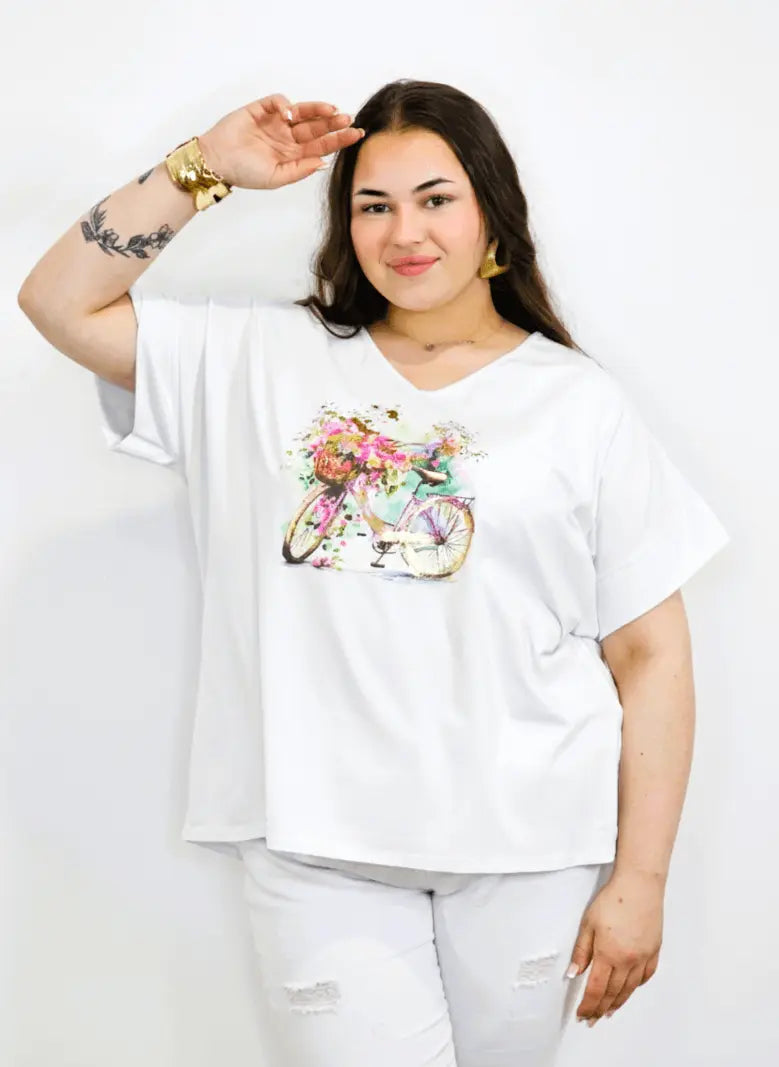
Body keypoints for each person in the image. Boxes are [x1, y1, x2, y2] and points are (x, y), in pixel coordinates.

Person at [18, 79, 730, 1067]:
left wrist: (641, 879)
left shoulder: (578, 402)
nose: (405, 232)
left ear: (490, 212)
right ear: (342, 224)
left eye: (435, 198)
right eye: (373, 204)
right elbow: (57, 301)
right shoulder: (256, 358)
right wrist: (203, 167)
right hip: (317, 848)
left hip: (531, 847)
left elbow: (650, 654)